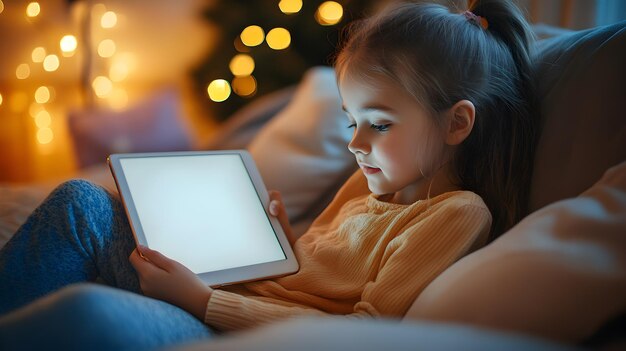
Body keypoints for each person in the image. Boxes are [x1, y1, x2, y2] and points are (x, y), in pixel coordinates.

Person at [0, 1, 537, 350]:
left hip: (224, 325)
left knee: (87, 316)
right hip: (231, 289)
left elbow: (362, 332)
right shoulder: (371, 186)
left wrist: (201, 301)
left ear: (457, 124)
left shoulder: (457, 213)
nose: (356, 143)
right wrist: (281, 237)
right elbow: (309, 273)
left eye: (380, 124)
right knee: (81, 202)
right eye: (352, 122)